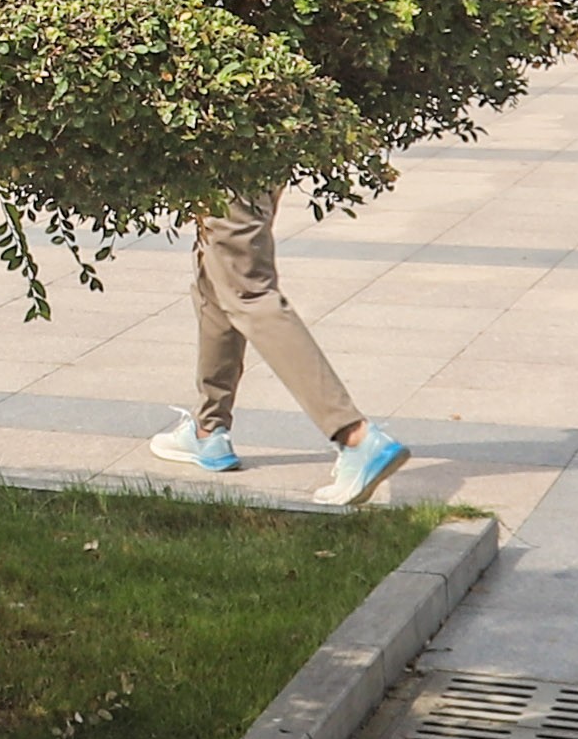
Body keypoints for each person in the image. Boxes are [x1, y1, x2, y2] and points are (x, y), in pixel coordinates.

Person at [151, 191, 408, 505]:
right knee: (218, 280)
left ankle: (355, 436)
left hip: (229, 168)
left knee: (248, 292)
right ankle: (208, 429)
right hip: (243, 168)